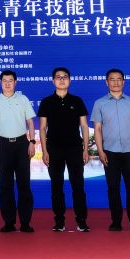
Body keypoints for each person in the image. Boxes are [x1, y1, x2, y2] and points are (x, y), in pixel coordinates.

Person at [91, 68, 130, 232]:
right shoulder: (99, 103)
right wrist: (100, 151)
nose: (115, 82)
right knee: (113, 188)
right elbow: (97, 129)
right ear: (106, 82)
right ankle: (116, 222)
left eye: (118, 79)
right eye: (112, 79)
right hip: (109, 152)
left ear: (123, 81)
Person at [38, 67, 91, 233]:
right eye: (58, 77)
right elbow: (42, 127)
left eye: (65, 77)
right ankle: (59, 221)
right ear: (53, 80)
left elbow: (84, 126)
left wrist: (86, 149)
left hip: (75, 148)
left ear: (70, 80)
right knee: (56, 186)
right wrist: (45, 151)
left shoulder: (77, 101)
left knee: (78, 185)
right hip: (54, 149)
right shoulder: (46, 102)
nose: (62, 80)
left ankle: (81, 221)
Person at [0, 69, 37, 233]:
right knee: (5, 185)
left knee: (24, 184)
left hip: (22, 144)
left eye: (10, 81)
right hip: (3, 145)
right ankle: (8, 222)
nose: (7, 84)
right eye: (4, 81)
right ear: (0, 83)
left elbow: (30, 122)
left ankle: (25, 222)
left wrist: (32, 142)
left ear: (15, 82)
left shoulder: (23, 99)